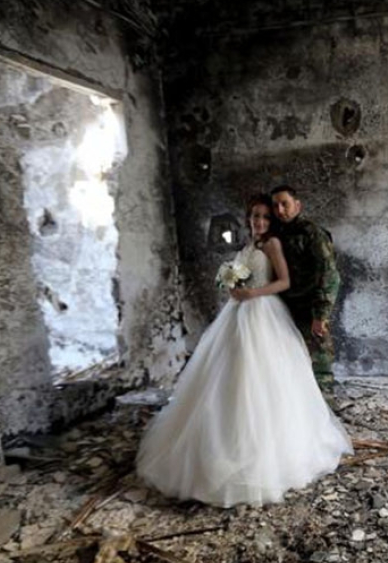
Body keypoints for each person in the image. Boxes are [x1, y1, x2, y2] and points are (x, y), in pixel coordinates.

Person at [136, 194, 353, 508]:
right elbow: (240, 274)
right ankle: (219, 441)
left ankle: (264, 452)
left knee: (262, 375)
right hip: (238, 314)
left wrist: (253, 292)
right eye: (255, 216)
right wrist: (232, 286)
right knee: (227, 373)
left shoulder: (272, 245)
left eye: (265, 217)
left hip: (264, 312)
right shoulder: (248, 247)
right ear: (248, 219)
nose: (260, 221)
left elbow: (283, 282)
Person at [270, 185, 341, 394]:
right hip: (285, 307)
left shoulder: (312, 234)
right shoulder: (277, 234)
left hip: (310, 307)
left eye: (285, 204)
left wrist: (321, 314)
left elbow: (329, 276)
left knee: (319, 363)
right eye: (276, 206)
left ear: (297, 205)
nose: (280, 210)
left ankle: (326, 410)